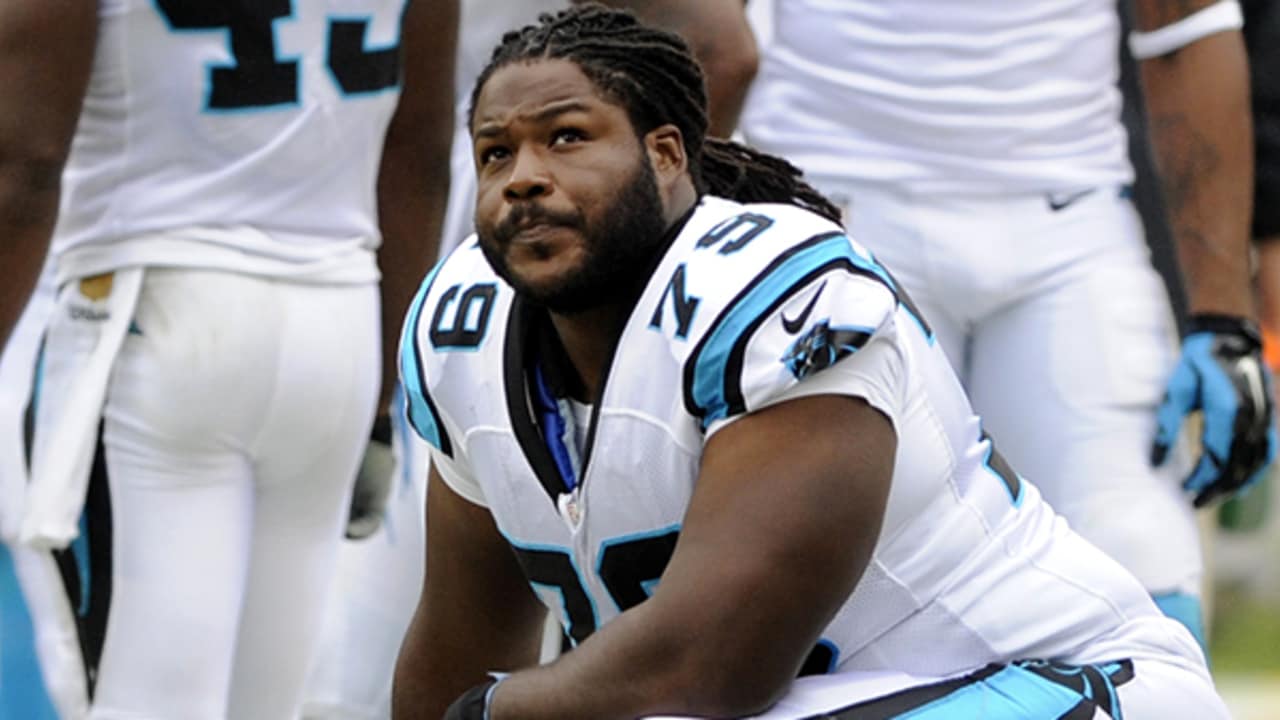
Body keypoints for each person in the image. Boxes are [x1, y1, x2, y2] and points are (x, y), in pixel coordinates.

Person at [391, 6, 1227, 718]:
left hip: (1059, 682)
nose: (525, 178)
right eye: (495, 153)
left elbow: (717, 664)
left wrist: (493, 710)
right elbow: (459, 647)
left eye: (567, 138)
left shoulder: (778, 294)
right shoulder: (465, 327)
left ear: (667, 154)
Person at [739, 0, 1275, 647]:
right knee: (832, 616)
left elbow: (1188, 31)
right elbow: (709, 37)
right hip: (835, 212)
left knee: (1143, 593)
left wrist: (1223, 320)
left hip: (1063, 223)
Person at [6, 0, 455, 717]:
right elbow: (421, 153)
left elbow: (23, 163)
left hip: (155, 307)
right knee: (267, 705)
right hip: (339, 318)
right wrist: (379, 402)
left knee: (136, 701)